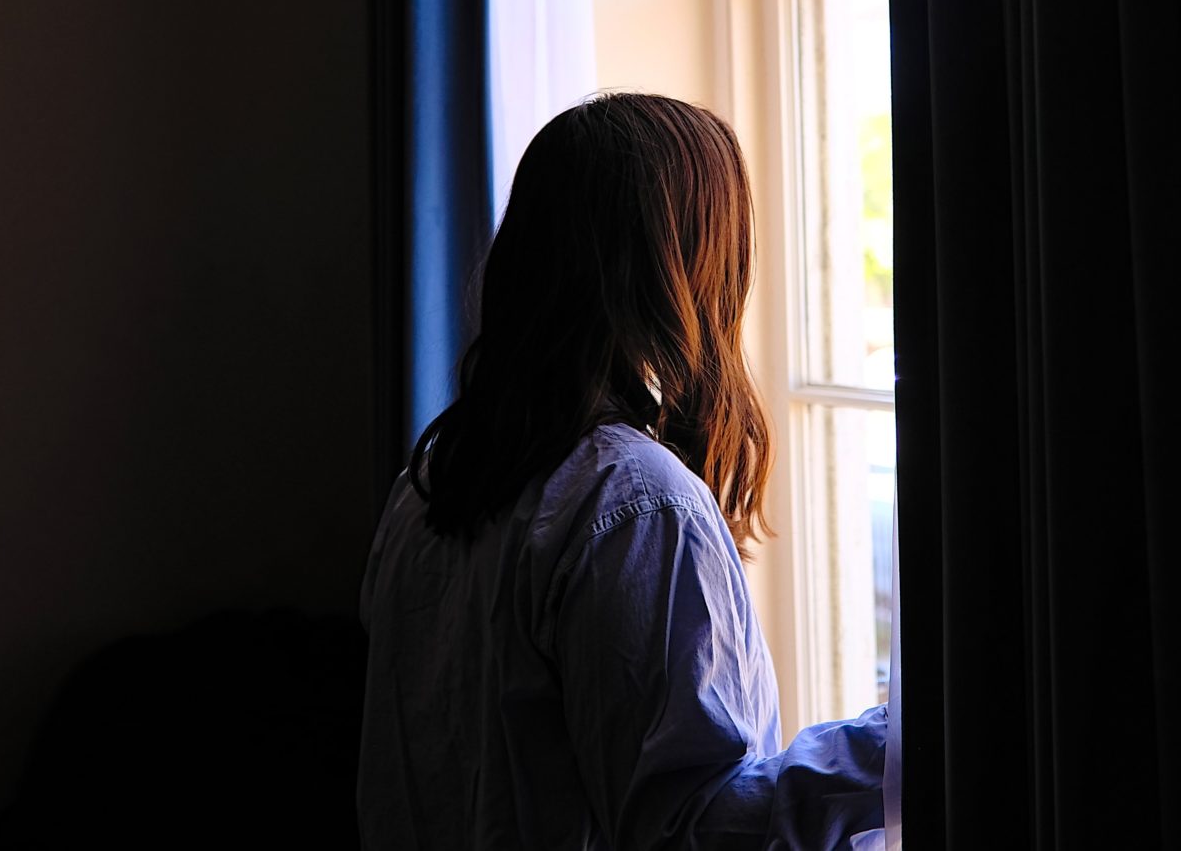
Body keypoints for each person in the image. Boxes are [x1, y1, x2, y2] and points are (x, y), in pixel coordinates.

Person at [358, 93, 888, 849]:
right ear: (680, 267)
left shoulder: (426, 490)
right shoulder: (638, 504)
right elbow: (695, 832)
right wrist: (893, 746)